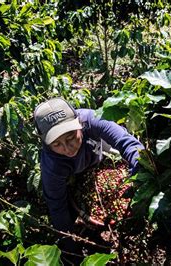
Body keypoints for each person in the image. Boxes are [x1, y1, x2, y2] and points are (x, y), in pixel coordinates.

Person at [33, 97, 144, 235]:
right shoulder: (51, 164)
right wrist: (68, 239)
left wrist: (140, 172)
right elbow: (57, 205)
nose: (67, 148)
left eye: (71, 137)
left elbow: (128, 143)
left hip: (99, 150)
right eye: (57, 144)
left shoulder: (91, 119)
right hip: (75, 172)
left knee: (119, 154)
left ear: (79, 122)